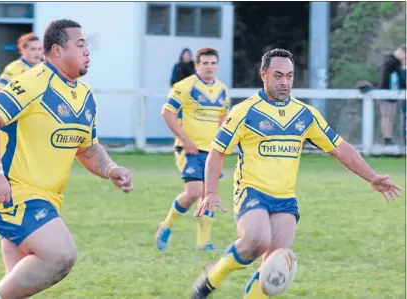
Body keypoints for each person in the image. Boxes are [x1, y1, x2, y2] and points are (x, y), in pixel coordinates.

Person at [190, 49, 401, 299]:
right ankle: (214, 276)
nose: (284, 82)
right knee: (256, 241)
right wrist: (211, 192)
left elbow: (340, 148)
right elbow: (217, 151)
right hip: (252, 191)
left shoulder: (305, 114)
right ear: (263, 74)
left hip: (285, 198)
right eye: (278, 76)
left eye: (289, 76)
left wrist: (371, 176)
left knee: (276, 263)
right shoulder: (244, 112)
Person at [0, 19, 133, 299]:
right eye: (80, 44)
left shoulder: (85, 96)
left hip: (48, 199)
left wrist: (110, 169)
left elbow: (87, 148)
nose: (87, 51)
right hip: (15, 193)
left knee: (19, 287)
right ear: (57, 51)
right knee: (61, 255)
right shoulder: (32, 82)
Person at [156, 47, 230, 251]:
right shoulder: (184, 86)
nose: (209, 67)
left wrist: (224, 144)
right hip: (189, 150)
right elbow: (167, 113)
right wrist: (185, 139)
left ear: (217, 65)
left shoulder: (222, 90)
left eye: (213, 63)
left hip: (212, 151)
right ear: (197, 66)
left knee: (208, 195)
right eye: (205, 63)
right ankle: (166, 226)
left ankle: (203, 243)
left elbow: (223, 118)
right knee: (194, 191)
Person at [378, 45, 406, 146]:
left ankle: (388, 138)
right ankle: (386, 139)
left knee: (390, 117)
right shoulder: (391, 62)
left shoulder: (392, 62)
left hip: (391, 94)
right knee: (386, 117)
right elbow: (389, 79)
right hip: (387, 94)